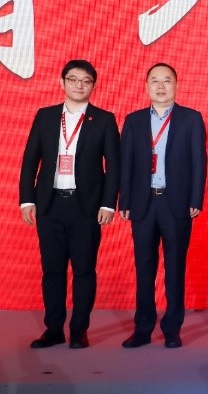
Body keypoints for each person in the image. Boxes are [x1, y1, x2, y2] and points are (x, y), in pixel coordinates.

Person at [19, 59, 120, 349]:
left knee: (84, 270)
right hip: (49, 204)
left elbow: (114, 166)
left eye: (86, 81)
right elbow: (30, 160)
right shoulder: (45, 116)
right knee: (52, 269)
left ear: (93, 86)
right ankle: (53, 329)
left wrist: (108, 204)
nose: (79, 85)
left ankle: (79, 330)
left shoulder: (104, 119)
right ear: (62, 82)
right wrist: (27, 199)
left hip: (86, 207)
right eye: (73, 79)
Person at [119, 63, 207, 349]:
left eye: (166, 80)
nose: (160, 86)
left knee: (175, 268)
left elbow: (199, 162)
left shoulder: (191, 118)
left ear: (176, 85)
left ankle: (172, 329)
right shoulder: (133, 120)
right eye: (154, 81)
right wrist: (125, 200)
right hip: (143, 204)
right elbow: (126, 163)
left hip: (176, 203)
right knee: (144, 269)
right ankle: (142, 329)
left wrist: (196, 199)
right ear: (146, 86)